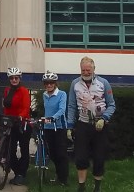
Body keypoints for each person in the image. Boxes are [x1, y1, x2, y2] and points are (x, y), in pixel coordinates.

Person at [66, 57, 116, 192]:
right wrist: (69, 126)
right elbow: (71, 106)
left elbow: (112, 105)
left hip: (100, 126)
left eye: (88, 70)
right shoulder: (75, 84)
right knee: (81, 157)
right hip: (82, 125)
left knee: (99, 158)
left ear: (94, 69)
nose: (86, 72)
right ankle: (81, 187)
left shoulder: (103, 83)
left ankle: (97, 188)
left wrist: (104, 118)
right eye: (83, 70)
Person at [3, 67, 32, 186]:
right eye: (12, 78)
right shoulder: (7, 90)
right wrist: (4, 118)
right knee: (10, 150)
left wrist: (21, 116)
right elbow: (6, 107)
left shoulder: (24, 91)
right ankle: (17, 172)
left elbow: (26, 107)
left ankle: (21, 174)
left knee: (24, 149)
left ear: (20, 78)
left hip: (22, 123)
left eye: (16, 78)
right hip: (11, 123)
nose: (14, 80)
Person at [40, 71, 69, 187]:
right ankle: (58, 174)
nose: (49, 85)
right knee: (52, 154)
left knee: (61, 154)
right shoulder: (44, 95)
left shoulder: (62, 94)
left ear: (55, 83)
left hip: (59, 127)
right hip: (48, 127)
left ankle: (63, 179)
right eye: (47, 83)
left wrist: (53, 118)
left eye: (51, 83)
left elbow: (62, 110)